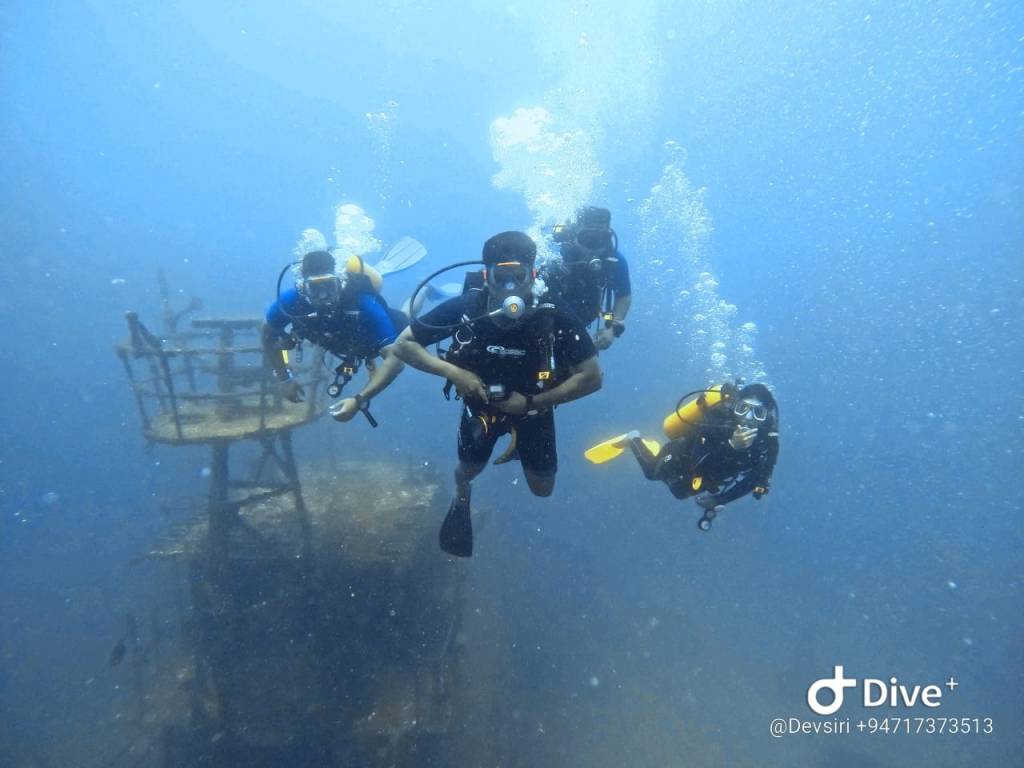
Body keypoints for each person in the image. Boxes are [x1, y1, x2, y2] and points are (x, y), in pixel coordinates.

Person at [394, 231, 603, 557]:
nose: (510, 288)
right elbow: (403, 344)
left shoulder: (554, 314)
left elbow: (592, 377)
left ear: (532, 276)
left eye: (518, 277)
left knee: (542, 489)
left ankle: (520, 442)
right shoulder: (468, 307)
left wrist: (533, 403)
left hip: (534, 407)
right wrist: (454, 372)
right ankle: (461, 498)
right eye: (500, 278)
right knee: (468, 471)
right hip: (480, 405)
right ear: (486, 277)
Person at [585, 382, 779, 530]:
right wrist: (731, 446)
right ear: (735, 407)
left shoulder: (767, 442)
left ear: (767, 417)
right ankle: (633, 439)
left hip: (713, 474)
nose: (748, 418)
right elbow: (698, 464)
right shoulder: (718, 422)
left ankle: (645, 446)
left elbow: (758, 479)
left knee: (681, 493)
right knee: (652, 472)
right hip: (683, 454)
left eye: (758, 413)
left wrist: (721, 499)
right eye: (743, 408)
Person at [262, 249, 406, 425]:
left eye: (329, 286)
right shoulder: (292, 301)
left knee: (405, 327)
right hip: (343, 343)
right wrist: (284, 379)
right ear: (303, 287)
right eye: (314, 288)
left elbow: (396, 360)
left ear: (340, 283)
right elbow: (267, 332)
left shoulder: (361, 301)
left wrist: (359, 399)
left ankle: (423, 293)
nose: (323, 296)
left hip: (370, 342)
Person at [543, 205, 631, 350]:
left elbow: (624, 295)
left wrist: (611, 330)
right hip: (545, 325)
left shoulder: (614, 261)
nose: (595, 248)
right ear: (573, 235)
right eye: (588, 239)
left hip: (579, 325)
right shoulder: (554, 254)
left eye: (601, 239)